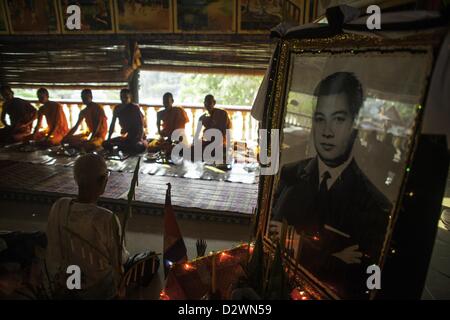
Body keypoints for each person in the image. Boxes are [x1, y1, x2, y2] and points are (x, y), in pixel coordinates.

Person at [270, 72, 391, 298]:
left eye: (338, 119)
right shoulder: (290, 172)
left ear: (355, 125)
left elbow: (359, 276)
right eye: (320, 119)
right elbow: (272, 234)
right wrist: (333, 254)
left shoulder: (373, 204)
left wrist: (297, 243)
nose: (327, 131)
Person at [45, 154, 129, 299]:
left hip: (67, 283)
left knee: (75, 275)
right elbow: (119, 259)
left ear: (76, 179)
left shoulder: (60, 206)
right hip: (97, 289)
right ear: (103, 181)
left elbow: (53, 248)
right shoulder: (107, 218)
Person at [103, 89, 147, 155]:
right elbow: (112, 124)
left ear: (130, 97)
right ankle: (123, 146)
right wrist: (109, 138)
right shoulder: (117, 108)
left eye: (126, 97)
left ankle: (123, 147)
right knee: (105, 143)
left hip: (137, 137)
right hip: (127, 137)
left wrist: (140, 139)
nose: (123, 99)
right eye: (122, 97)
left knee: (138, 146)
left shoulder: (135, 108)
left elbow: (141, 125)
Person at [192, 94, 232, 162]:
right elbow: (197, 134)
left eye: (210, 103)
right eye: (206, 103)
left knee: (220, 151)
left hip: (219, 143)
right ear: (204, 104)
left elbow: (225, 131)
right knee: (192, 150)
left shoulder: (222, 114)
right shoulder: (202, 118)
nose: (208, 105)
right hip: (208, 143)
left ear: (214, 103)